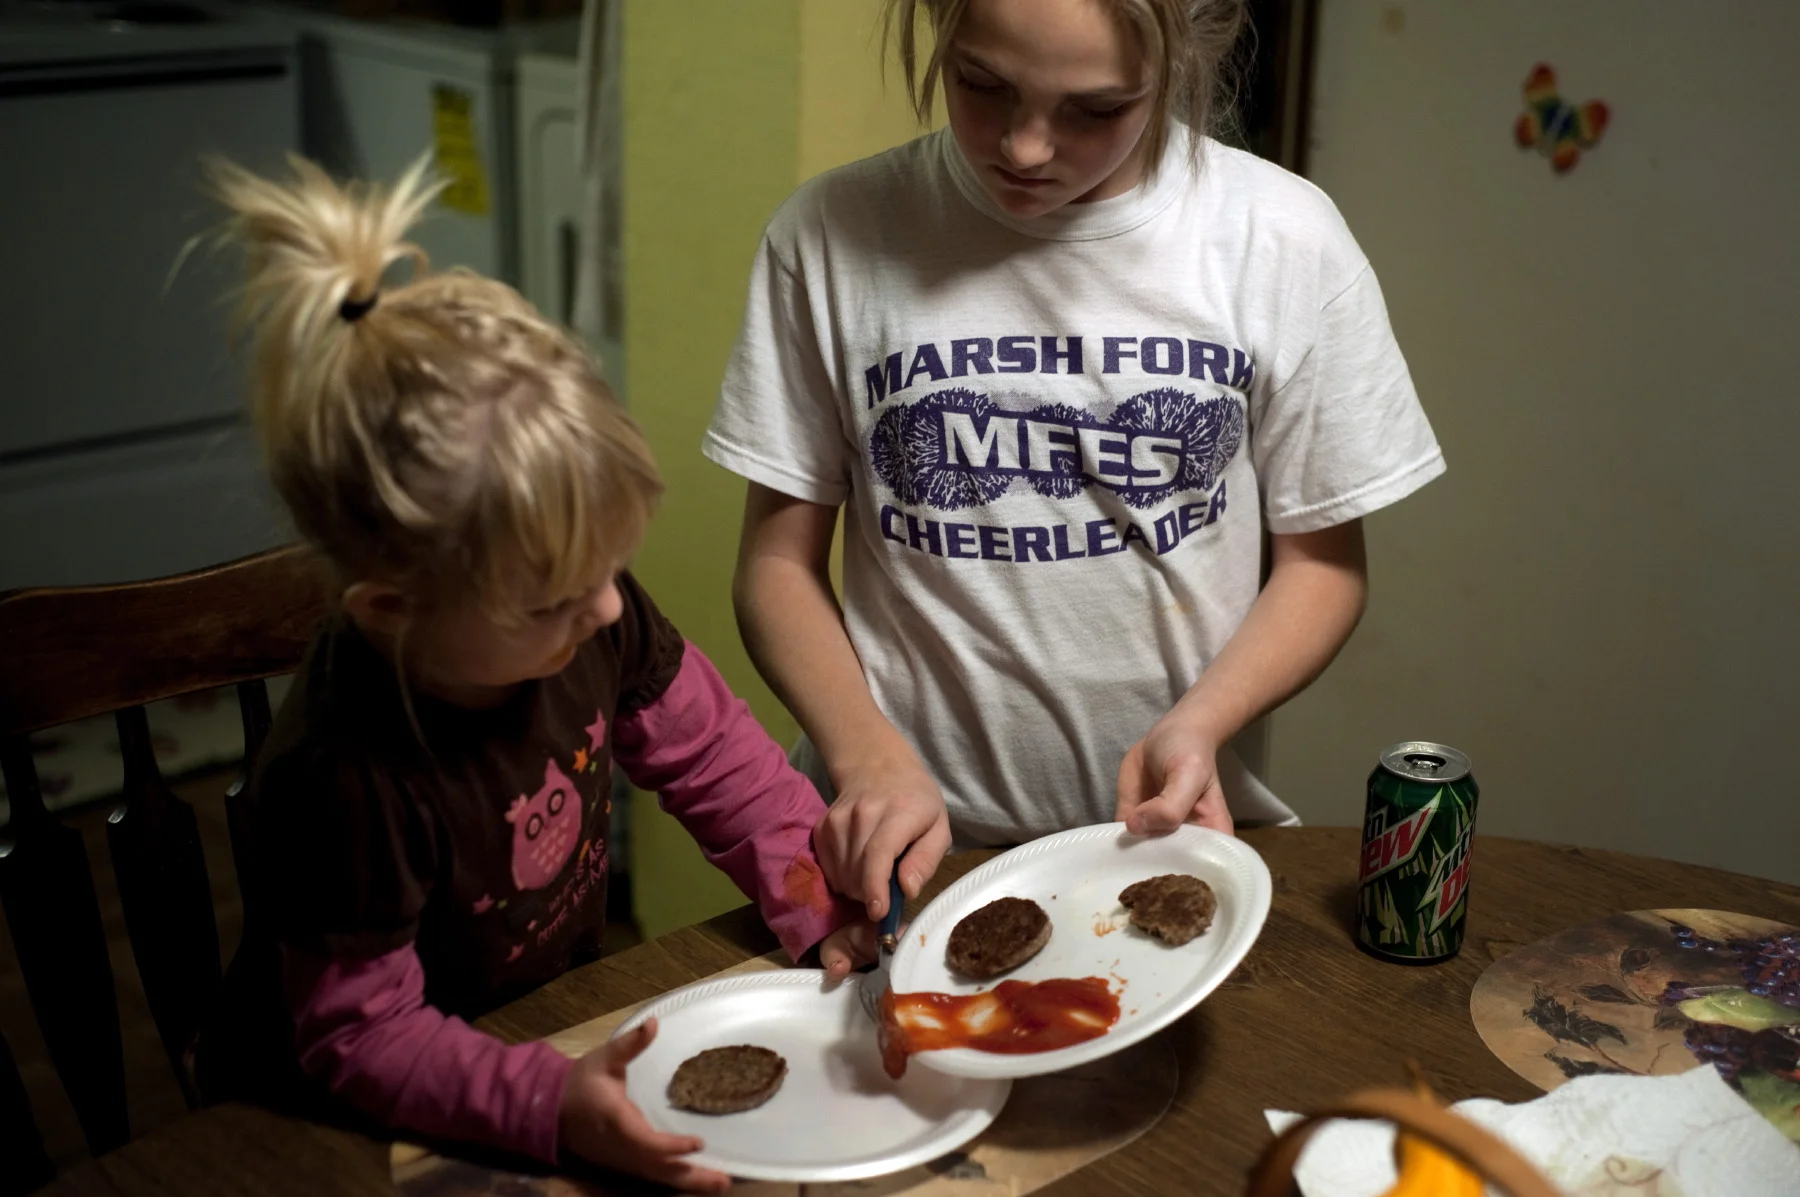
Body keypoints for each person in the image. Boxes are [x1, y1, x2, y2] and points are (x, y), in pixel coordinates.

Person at [192, 155, 872, 1194]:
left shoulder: (586, 613)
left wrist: (816, 896)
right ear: (394, 611)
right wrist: (547, 1104)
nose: (606, 611)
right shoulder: (343, 775)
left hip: (534, 1030)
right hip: (330, 1125)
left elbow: (719, 762)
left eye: (611, 573)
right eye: (554, 600)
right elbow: (362, 1040)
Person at [706, 0, 1444, 923]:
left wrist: (1202, 721)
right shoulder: (829, 235)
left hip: (1172, 851)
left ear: (1179, 63)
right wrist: (866, 755)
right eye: (982, 85)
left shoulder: (1282, 240)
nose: (1023, 147)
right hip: (911, 862)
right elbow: (774, 565)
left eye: (1095, 109)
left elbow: (1322, 566)